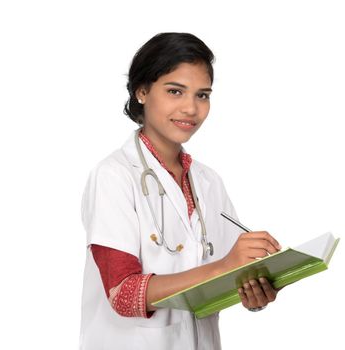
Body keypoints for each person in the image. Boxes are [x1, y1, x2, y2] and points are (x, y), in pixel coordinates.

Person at [79, 32, 281, 350]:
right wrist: (225, 266)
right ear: (142, 91)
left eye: (202, 95)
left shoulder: (208, 181)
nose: (191, 108)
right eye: (176, 91)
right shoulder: (114, 176)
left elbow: (225, 278)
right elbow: (123, 294)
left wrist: (253, 290)